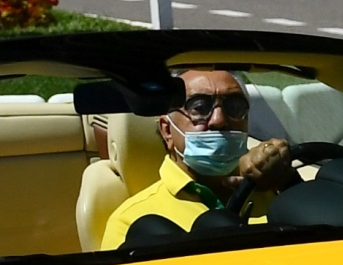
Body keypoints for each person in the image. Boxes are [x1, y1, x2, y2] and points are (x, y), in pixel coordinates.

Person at [99, 69, 295, 249]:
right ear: (167, 131)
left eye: (234, 107)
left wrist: (289, 183)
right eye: (200, 108)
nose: (219, 119)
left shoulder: (276, 189)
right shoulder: (130, 222)